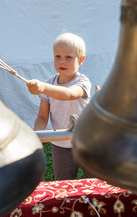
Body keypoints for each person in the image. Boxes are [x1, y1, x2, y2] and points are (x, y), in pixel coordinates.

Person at [27, 33, 92, 180]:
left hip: (86, 143)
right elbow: (42, 117)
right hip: (60, 145)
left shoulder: (83, 82)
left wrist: (43, 88)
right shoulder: (49, 83)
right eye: (58, 56)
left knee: (96, 183)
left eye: (68, 57)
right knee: (63, 184)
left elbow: (68, 94)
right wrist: (37, 136)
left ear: (81, 60)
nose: (62, 61)